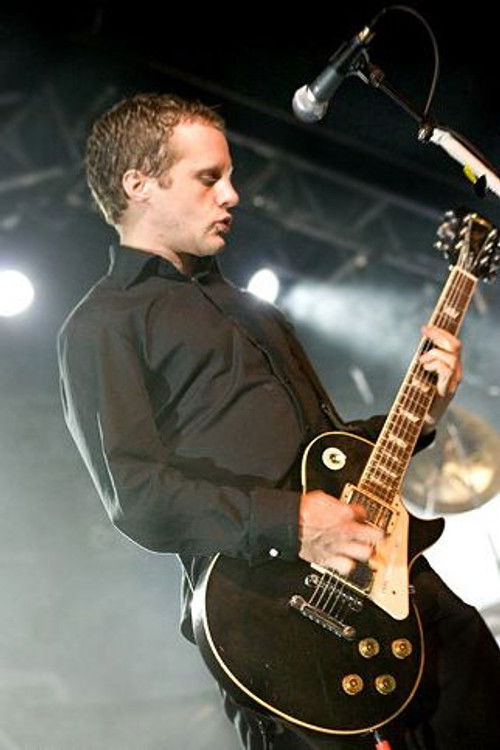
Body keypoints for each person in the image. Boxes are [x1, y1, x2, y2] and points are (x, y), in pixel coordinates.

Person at [57, 93, 500, 750]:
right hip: (275, 625)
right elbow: (137, 496)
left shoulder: (253, 309)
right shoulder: (103, 324)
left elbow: (330, 453)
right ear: (139, 184)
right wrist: (292, 522)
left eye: (230, 176)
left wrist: (421, 413)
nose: (232, 195)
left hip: (394, 583)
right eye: (208, 178)